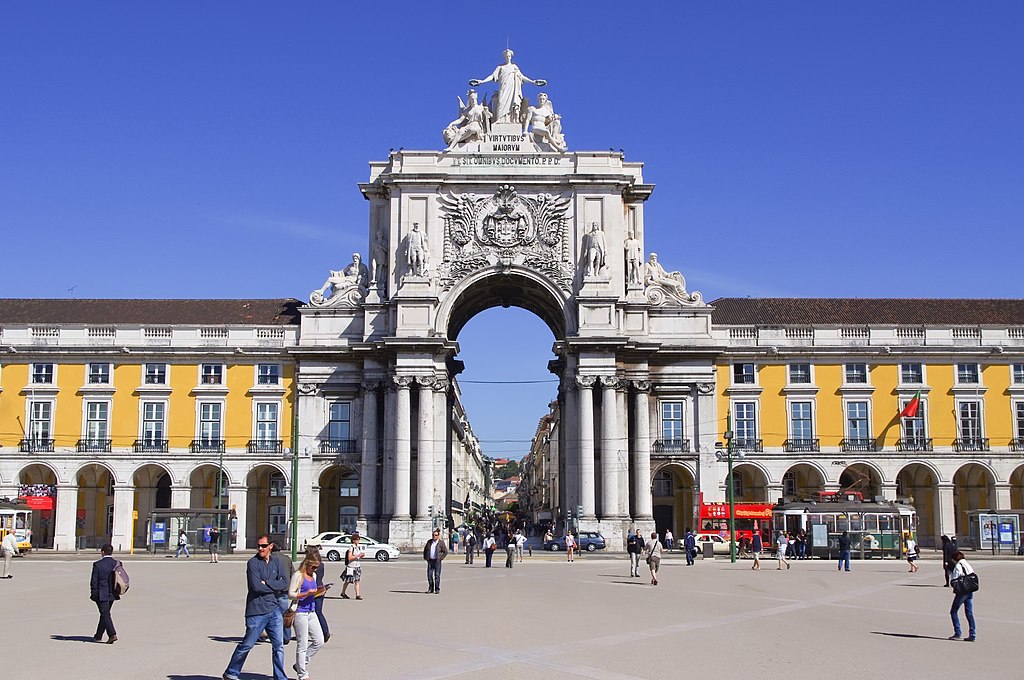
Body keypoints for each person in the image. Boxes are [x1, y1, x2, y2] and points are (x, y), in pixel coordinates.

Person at [223, 534, 290, 680]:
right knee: (247, 644)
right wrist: (274, 586)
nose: (260, 548)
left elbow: (285, 583)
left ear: (270, 546)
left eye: (264, 546)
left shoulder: (277, 562)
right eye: (259, 546)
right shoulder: (253, 563)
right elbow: (256, 587)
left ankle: (280, 677)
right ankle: (231, 672)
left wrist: (268, 583)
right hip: (256, 612)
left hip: (274, 609)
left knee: (278, 646)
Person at [469, 48, 547, 124]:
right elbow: (492, 76)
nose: (507, 57)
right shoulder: (500, 67)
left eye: (509, 56)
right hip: (504, 87)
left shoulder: (514, 67)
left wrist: (533, 82)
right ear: (504, 57)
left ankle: (513, 120)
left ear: (511, 57)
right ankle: (500, 119)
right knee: (501, 103)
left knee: (514, 103)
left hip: (513, 89)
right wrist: (482, 81)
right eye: (506, 56)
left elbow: (522, 77)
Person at [289, 553, 325, 680]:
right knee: (302, 644)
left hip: (311, 611)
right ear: (307, 564)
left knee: (319, 641)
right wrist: (305, 593)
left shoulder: (313, 576)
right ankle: (302, 674)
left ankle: (300, 664)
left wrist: (319, 591)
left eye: (316, 567)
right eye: (313, 567)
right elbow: (291, 594)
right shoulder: (298, 576)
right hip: (300, 612)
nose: (314, 570)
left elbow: (312, 593)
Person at [90, 543, 119, 643]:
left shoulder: (97, 564)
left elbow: (94, 581)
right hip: (113, 593)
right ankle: (98, 635)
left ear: (102, 552)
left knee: (105, 614)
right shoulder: (117, 563)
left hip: (101, 594)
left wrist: (93, 593)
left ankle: (112, 634)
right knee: (104, 614)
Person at [948, 551, 977, 642]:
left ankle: (958, 632)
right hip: (970, 590)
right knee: (969, 613)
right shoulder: (967, 564)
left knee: (953, 611)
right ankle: (972, 634)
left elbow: (954, 580)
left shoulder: (958, 566)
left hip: (962, 591)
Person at [271, 543, 295, 644]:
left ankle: (267, 634)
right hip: (285, 589)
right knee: (285, 614)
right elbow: (293, 573)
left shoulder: (271, 558)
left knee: (268, 614)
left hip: (272, 589)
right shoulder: (286, 558)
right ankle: (286, 636)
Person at [309, 545, 331, 642]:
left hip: (313, 590)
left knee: (310, 613)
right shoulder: (321, 564)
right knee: (318, 612)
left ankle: (321, 632)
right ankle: (325, 631)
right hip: (321, 588)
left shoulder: (311, 564)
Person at [340, 532, 364, 601]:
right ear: (353, 540)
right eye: (356, 539)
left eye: (358, 539)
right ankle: (343, 593)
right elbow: (349, 557)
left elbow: (358, 556)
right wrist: (357, 556)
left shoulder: (358, 547)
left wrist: (361, 556)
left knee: (357, 581)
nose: (358, 541)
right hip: (351, 567)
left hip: (357, 566)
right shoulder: (351, 547)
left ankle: (358, 595)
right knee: (347, 581)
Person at [423, 528, 448, 594]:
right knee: (429, 575)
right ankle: (431, 588)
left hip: (437, 561)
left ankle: (437, 589)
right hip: (430, 561)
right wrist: (426, 558)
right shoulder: (429, 542)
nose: (434, 536)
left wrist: (440, 558)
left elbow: (445, 552)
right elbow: (425, 550)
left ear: (438, 536)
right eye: (433, 535)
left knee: (437, 576)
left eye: (436, 535)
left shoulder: (441, 543)